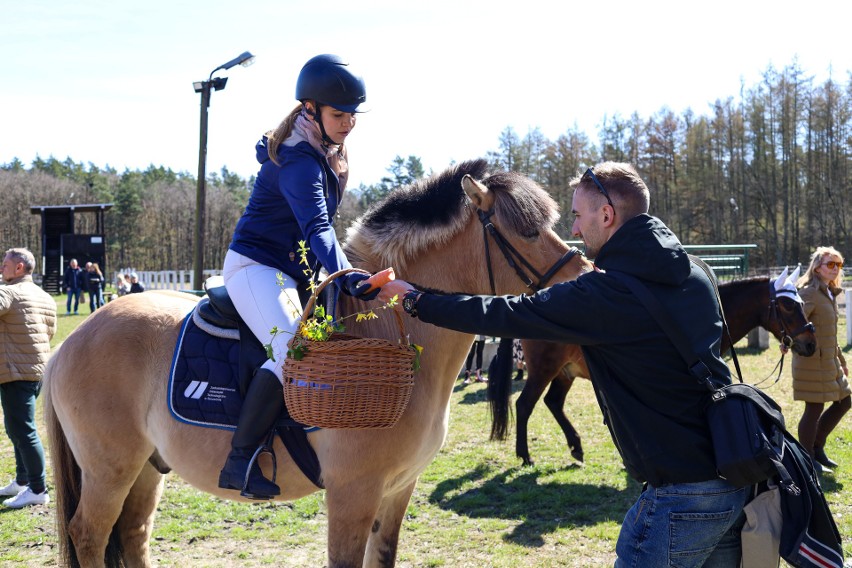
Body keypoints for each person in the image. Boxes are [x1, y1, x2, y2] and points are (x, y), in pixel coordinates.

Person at [379, 162, 750, 566]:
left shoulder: (604, 293)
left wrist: (415, 299)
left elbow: (505, 313)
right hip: (736, 474)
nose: (573, 231)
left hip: (678, 497)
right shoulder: (699, 273)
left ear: (606, 215)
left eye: (577, 216)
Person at [218, 54, 379, 499]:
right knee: (292, 350)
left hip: (290, 273)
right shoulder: (299, 159)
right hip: (255, 267)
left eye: (351, 115)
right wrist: (344, 272)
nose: (347, 123)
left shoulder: (326, 152)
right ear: (310, 109)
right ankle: (239, 460)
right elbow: (318, 227)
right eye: (337, 114)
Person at [0, 248, 57, 508]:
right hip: (37, 372)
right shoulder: (45, 296)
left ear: (19, 268)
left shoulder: (8, 292)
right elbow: (50, 332)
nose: (1, 269)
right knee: (17, 427)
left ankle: (37, 488)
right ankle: (23, 481)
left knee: (24, 431)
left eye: (4, 264)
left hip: (15, 372)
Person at [792, 247, 850, 473]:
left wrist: (841, 359)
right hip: (811, 362)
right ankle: (806, 460)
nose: (835, 269)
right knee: (814, 408)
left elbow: (830, 332)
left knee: (845, 401)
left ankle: (817, 447)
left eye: (839, 264)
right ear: (817, 267)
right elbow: (793, 323)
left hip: (830, 361)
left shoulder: (828, 292)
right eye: (830, 264)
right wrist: (786, 343)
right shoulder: (808, 293)